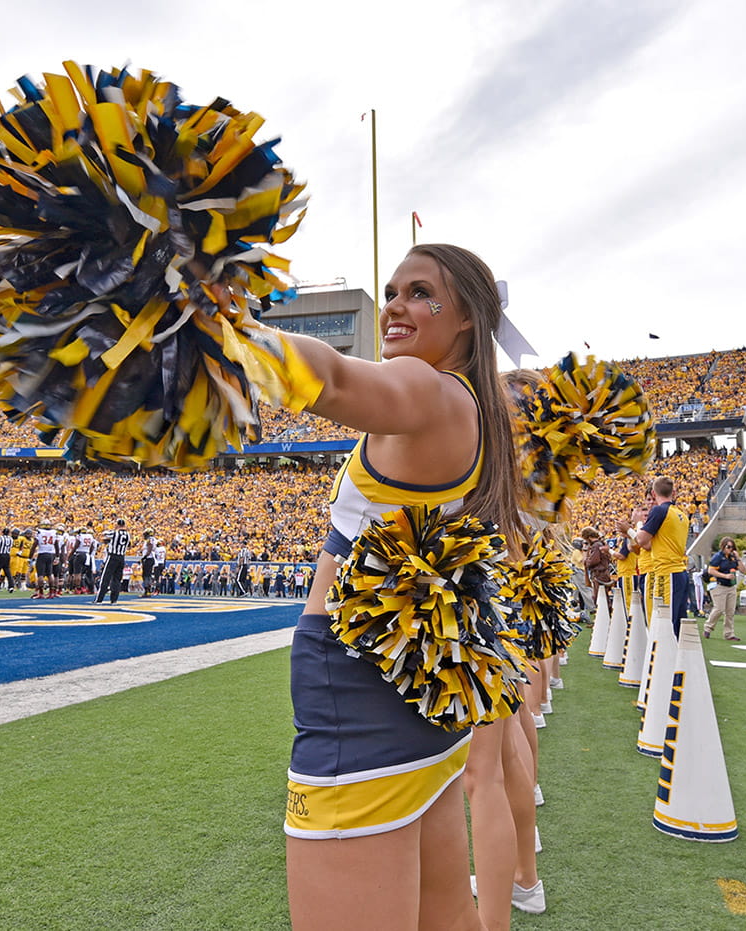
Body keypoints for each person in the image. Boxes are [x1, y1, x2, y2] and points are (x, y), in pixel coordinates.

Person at [284, 245, 532, 930]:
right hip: (416, 705)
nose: (395, 304)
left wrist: (209, 330)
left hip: (358, 706)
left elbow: (331, 378)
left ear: (465, 322)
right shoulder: (470, 404)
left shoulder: (427, 390)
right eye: (391, 289)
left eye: (420, 292)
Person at [635, 476, 690, 638]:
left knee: (662, 623)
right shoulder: (681, 514)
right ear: (674, 492)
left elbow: (641, 540)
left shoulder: (660, 511)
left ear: (653, 492)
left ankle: (663, 661)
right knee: (676, 623)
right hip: (680, 571)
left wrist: (638, 524)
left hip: (666, 572)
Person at [703, 537, 741, 640]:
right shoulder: (718, 557)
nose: (730, 549)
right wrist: (725, 576)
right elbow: (711, 570)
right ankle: (708, 627)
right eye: (728, 547)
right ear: (723, 546)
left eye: (732, 547)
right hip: (719, 585)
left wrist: (738, 558)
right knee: (719, 608)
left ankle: (729, 634)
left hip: (731, 586)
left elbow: (743, 570)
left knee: (730, 611)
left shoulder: (732, 557)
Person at [95, 518, 130, 604]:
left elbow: (104, 534)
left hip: (113, 557)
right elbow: (129, 545)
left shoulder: (115, 532)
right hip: (122, 557)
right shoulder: (128, 535)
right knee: (117, 579)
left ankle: (99, 599)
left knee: (105, 577)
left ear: (117, 524)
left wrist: (107, 540)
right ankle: (114, 599)